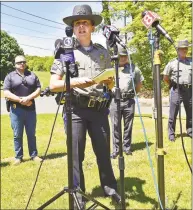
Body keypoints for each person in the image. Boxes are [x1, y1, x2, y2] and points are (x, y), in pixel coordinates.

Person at [49, 4, 119, 207]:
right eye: (77, 23)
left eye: (85, 23)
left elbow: (109, 81)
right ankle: (78, 194)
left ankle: (110, 188)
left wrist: (109, 82)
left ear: (92, 27)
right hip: (76, 110)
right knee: (75, 156)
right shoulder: (65, 51)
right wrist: (82, 82)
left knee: (104, 152)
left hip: (99, 109)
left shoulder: (103, 53)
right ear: (73, 27)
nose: (81, 27)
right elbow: (54, 85)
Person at [3, 55, 42, 165]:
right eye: (19, 62)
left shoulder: (32, 75)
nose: (22, 64)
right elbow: (6, 92)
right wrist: (20, 100)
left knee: (31, 134)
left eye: (24, 62)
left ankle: (34, 155)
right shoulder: (10, 76)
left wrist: (29, 98)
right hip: (16, 110)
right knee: (17, 134)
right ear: (15, 64)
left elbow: (38, 89)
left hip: (30, 109)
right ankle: (18, 157)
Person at [110, 47, 144, 159]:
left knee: (128, 126)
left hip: (129, 101)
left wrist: (131, 94)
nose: (123, 58)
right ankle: (116, 149)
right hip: (115, 101)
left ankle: (127, 147)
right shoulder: (112, 69)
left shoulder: (134, 69)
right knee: (115, 125)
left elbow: (139, 85)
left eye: (125, 56)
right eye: (121, 56)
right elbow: (107, 83)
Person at [163, 39, 192, 141]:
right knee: (173, 113)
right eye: (183, 49)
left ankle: (190, 131)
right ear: (178, 50)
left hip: (189, 90)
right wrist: (172, 85)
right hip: (176, 90)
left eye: (186, 48)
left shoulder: (191, 61)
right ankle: (171, 134)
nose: (185, 50)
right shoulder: (172, 63)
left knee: (190, 113)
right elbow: (165, 77)